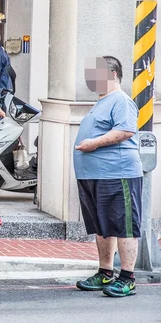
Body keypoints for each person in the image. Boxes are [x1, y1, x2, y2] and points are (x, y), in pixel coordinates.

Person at [73, 56, 143, 298]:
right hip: (94, 175)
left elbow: (125, 130)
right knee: (103, 227)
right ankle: (105, 271)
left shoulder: (121, 100)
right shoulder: (101, 102)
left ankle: (128, 277)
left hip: (117, 173)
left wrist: (94, 143)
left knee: (123, 226)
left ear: (112, 74)